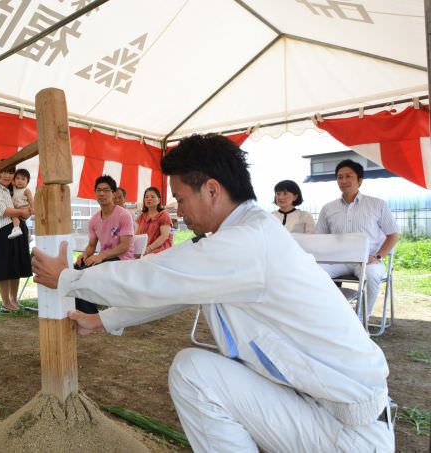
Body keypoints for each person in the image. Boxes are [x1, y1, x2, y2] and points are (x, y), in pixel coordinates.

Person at [32, 134, 393, 453]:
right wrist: (102, 320)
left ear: (212, 190)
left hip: (349, 431)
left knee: (193, 375)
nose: (180, 211)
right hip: (324, 407)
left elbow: (154, 276)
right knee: (194, 370)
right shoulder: (245, 234)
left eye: (181, 198)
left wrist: (67, 279)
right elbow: (180, 289)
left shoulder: (248, 241)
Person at [316, 159, 399, 319]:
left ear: (359, 180)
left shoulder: (377, 205)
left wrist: (378, 256)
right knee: (313, 272)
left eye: (349, 176)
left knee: (372, 274)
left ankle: (361, 319)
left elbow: (393, 235)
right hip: (338, 260)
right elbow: (321, 237)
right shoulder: (328, 208)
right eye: (340, 177)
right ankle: (329, 314)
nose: (343, 181)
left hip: (367, 260)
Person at [74, 175, 134, 314]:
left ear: (113, 193)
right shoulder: (94, 219)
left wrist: (101, 256)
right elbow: (91, 246)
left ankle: (90, 316)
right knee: (75, 269)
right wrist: (84, 255)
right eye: (98, 190)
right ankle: (84, 312)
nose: (102, 193)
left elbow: (125, 246)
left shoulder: (123, 215)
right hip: (105, 258)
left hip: (122, 259)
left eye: (106, 190)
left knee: (88, 272)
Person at [0, 167, 33, 313]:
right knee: (4, 268)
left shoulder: (10, 190)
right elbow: (4, 211)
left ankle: (14, 301)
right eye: (4, 171)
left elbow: (25, 210)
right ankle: (6, 302)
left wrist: (26, 212)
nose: (7, 175)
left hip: (18, 230)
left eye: (10, 172)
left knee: (15, 267)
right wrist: (23, 211)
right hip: (3, 233)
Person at [135, 186, 172, 254]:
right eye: (146, 197)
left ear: (159, 200)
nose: (149, 199)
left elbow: (164, 236)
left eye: (152, 197)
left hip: (160, 251)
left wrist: (148, 249)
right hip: (142, 251)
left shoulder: (164, 215)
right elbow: (136, 236)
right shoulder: (140, 217)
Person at [7, 168, 34, 239]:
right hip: (16, 210)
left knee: (14, 215)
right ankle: (17, 229)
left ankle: (17, 228)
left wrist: (32, 209)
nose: (20, 181)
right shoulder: (13, 187)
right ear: (14, 180)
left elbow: (31, 200)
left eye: (23, 179)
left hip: (24, 209)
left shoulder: (26, 190)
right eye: (18, 178)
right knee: (14, 216)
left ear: (27, 182)